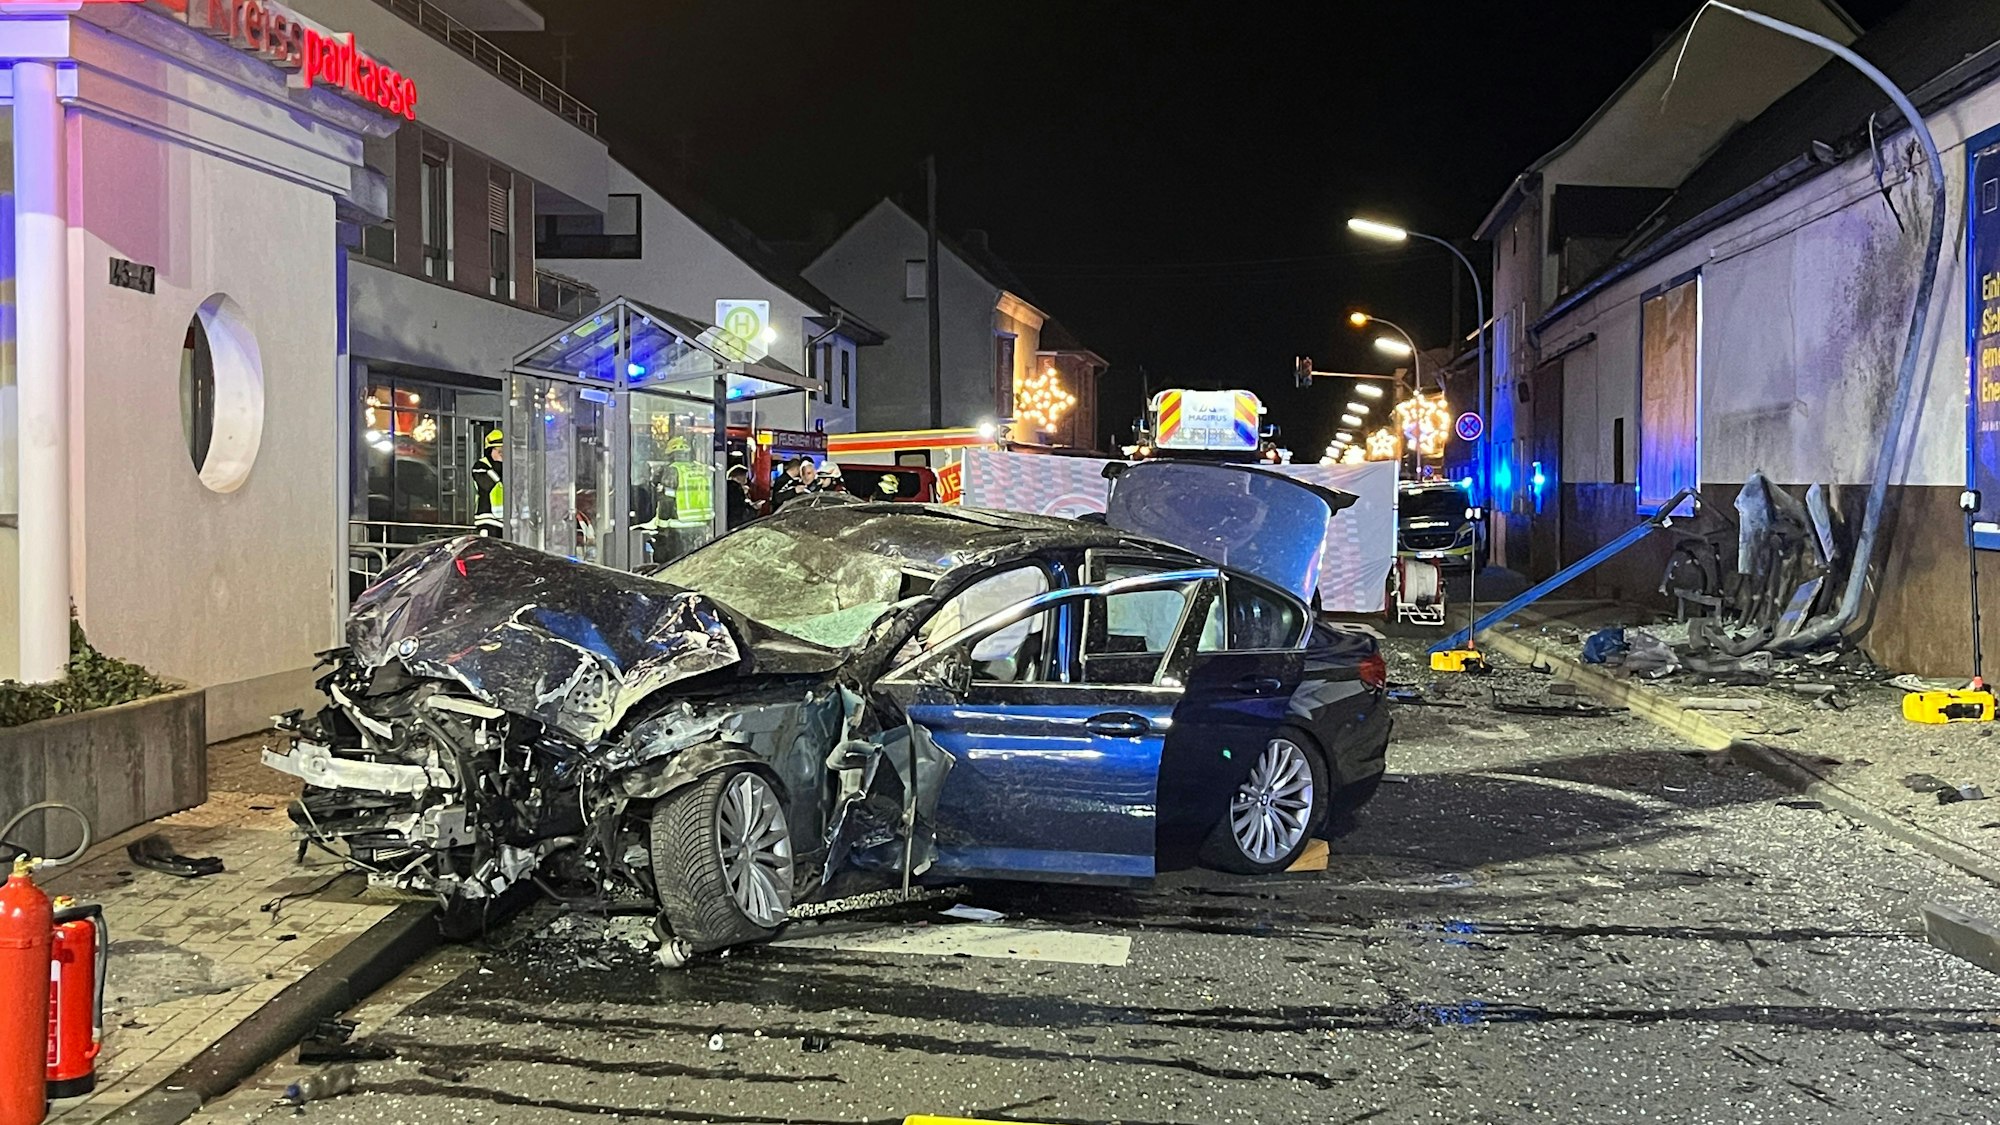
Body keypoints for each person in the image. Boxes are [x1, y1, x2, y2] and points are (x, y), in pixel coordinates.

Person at [473, 429, 504, 537]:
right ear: (489, 450)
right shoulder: (480, 466)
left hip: (505, 520)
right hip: (486, 519)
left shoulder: (509, 466)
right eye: (498, 450)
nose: (502, 454)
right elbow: (488, 484)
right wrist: (501, 466)